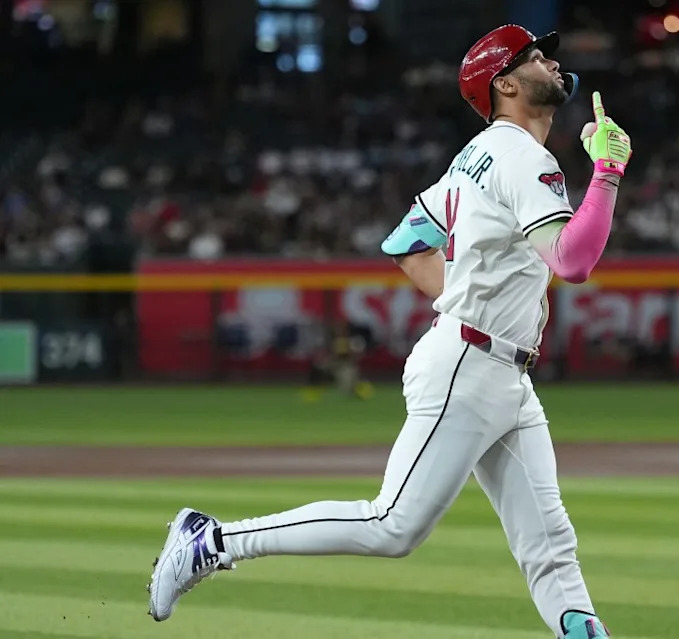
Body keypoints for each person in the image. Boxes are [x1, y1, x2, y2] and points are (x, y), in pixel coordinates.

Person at [147, 24, 632, 639]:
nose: (551, 61)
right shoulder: (522, 157)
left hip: (498, 371)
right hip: (470, 366)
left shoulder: (476, 155)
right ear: (505, 83)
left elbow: (405, 242)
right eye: (535, 56)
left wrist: (460, 295)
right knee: (393, 525)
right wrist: (609, 172)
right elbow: (573, 262)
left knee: (550, 545)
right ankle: (212, 541)